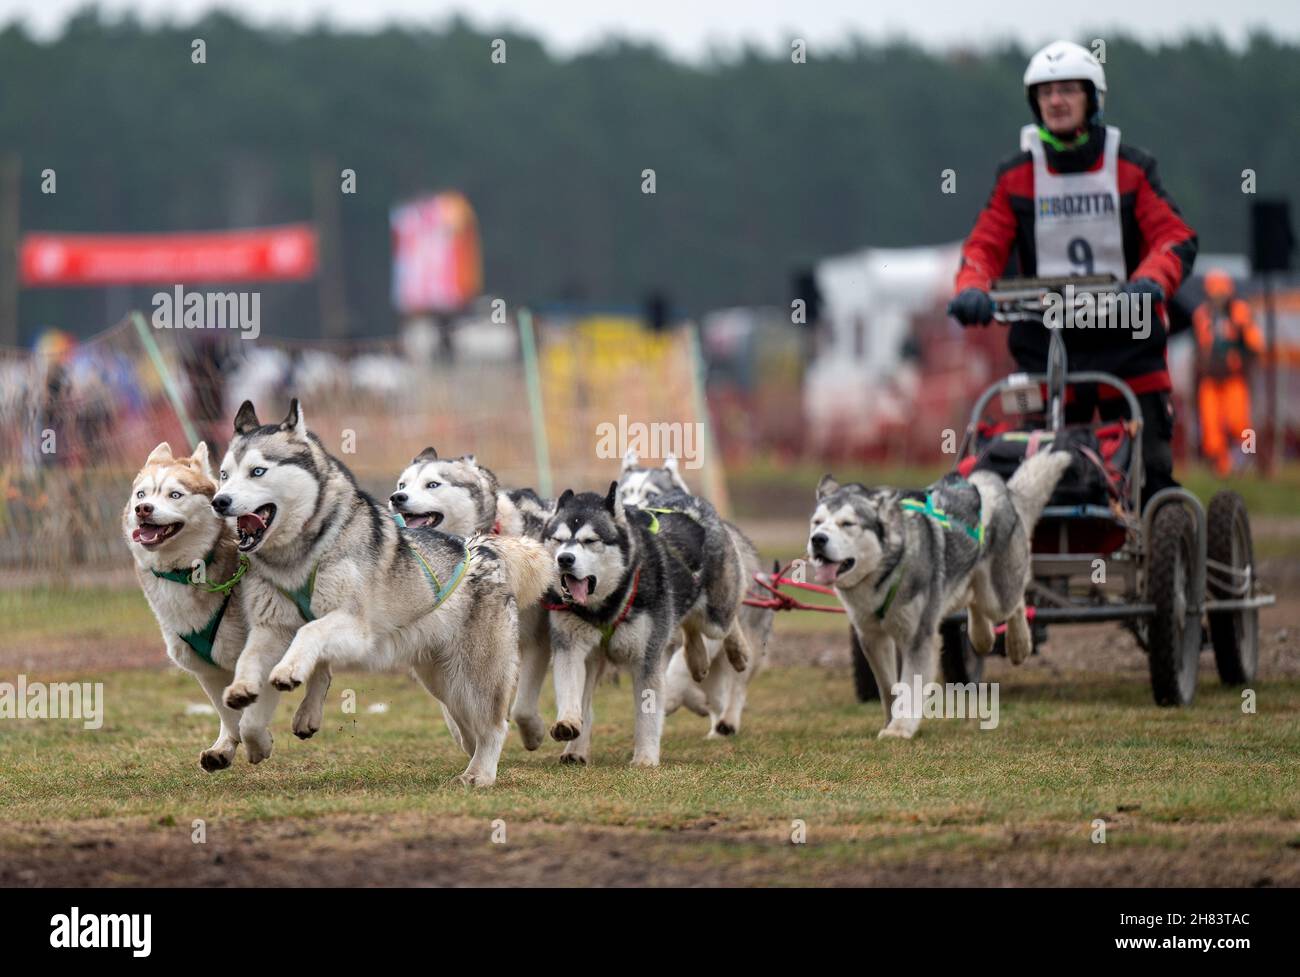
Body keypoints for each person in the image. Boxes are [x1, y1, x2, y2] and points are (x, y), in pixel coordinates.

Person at [948, 40, 1198, 508]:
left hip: (1128, 342)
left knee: (1150, 475)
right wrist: (971, 290)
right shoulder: (1016, 176)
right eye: (1045, 94)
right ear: (1034, 103)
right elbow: (983, 246)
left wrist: (1149, 283)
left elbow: (1173, 238)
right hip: (1046, 347)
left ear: (1092, 98)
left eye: (1067, 91)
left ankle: (1163, 560)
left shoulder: (1131, 168)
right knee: (1037, 470)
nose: (1056, 102)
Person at [1194, 269, 1264, 476]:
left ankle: (1248, 457)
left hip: (1234, 378)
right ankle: (1221, 466)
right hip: (1211, 379)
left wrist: (1241, 364)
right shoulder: (1202, 314)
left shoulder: (1240, 312)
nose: (1218, 298)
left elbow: (1253, 346)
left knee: (1241, 423)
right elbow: (1200, 348)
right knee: (1211, 425)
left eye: (1221, 292)